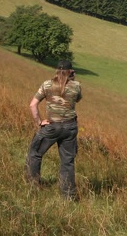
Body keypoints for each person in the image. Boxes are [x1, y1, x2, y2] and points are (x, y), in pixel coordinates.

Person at [25, 59, 82, 200]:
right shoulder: (76, 86)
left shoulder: (47, 85)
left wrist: (39, 122)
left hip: (51, 126)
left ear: (57, 70)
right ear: (71, 71)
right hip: (70, 127)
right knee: (67, 161)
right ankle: (68, 196)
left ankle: (33, 186)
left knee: (35, 153)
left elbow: (33, 105)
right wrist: (72, 79)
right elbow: (77, 99)